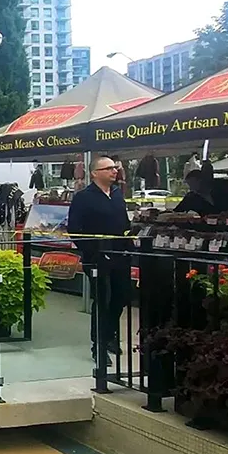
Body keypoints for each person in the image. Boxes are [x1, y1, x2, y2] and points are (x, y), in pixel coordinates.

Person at [67, 156, 131, 364]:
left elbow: (124, 223)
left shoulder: (117, 194)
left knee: (121, 296)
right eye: (109, 168)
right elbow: (75, 230)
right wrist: (92, 252)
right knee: (103, 299)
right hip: (98, 257)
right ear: (95, 173)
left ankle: (110, 335)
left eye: (115, 168)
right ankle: (99, 345)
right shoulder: (84, 197)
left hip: (121, 254)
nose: (114, 171)